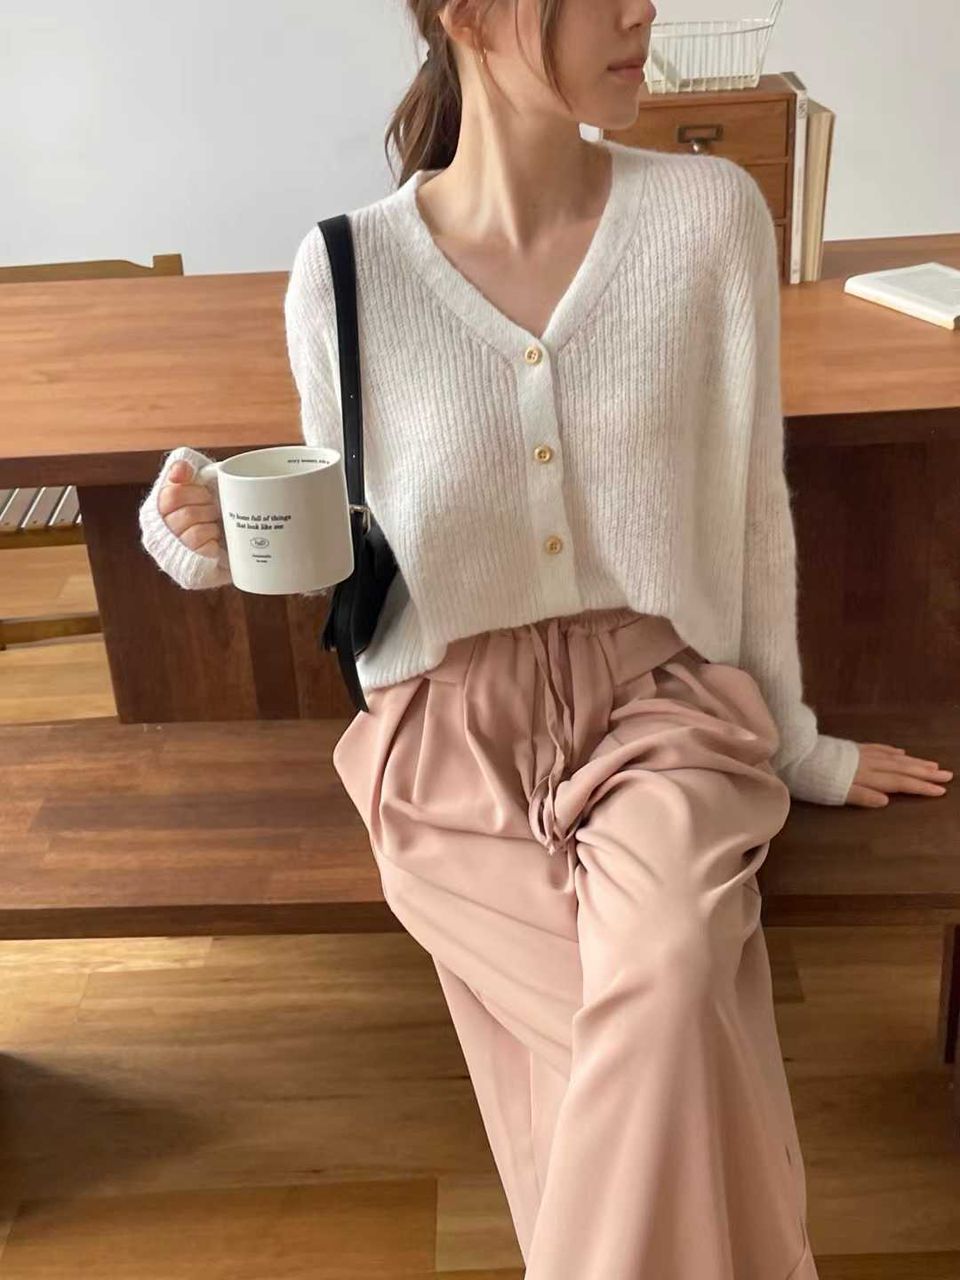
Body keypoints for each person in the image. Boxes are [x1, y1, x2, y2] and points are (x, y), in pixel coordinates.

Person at [137, 2, 952, 1275]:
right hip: (447, 739)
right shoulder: (345, 271)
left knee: (666, 986)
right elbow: (353, 547)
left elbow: (755, 515)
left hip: (663, 710)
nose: (643, 10)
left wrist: (799, 748)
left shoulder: (710, 221)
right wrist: (211, 529)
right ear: (466, 11)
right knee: (669, 1058)